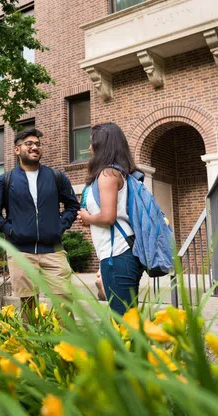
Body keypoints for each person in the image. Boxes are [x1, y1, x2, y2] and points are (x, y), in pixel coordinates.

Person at [0, 128, 80, 317]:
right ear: (17, 150)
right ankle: (32, 343)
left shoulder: (57, 177)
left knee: (64, 303)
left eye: (37, 144)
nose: (35, 147)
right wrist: (11, 231)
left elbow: (72, 206)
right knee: (28, 306)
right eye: (29, 144)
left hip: (53, 250)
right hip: (20, 251)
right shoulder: (5, 180)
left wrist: (60, 226)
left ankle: (63, 343)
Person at [77, 123, 143, 315]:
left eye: (92, 143)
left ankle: (130, 346)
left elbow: (108, 217)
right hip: (118, 252)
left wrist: (87, 217)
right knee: (126, 316)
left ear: (101, 145)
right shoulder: (119, 172)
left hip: (119, 254)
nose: (89, 147)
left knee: (122, 319)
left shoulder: (107, 174)